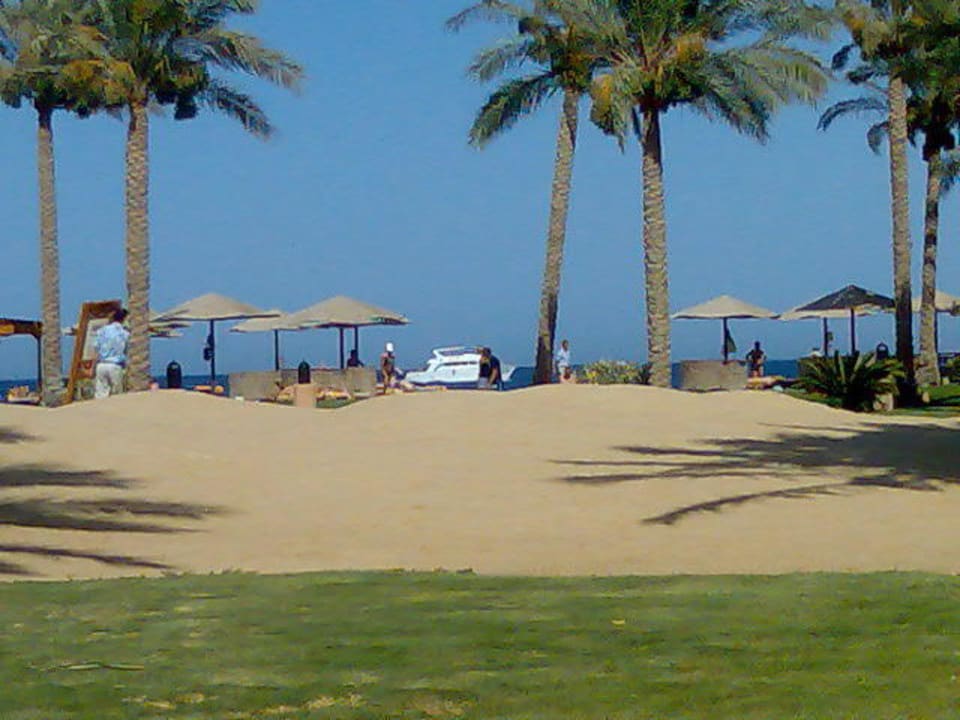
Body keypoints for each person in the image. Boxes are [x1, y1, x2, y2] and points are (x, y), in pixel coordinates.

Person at [94, 308, 130, 399]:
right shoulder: (124, 333)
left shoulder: (102, 330)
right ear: (124, 319)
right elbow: (126, 349)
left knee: (100, 394)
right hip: (115, 365)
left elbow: (96, 347)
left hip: (101, 364)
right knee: (117, 396)